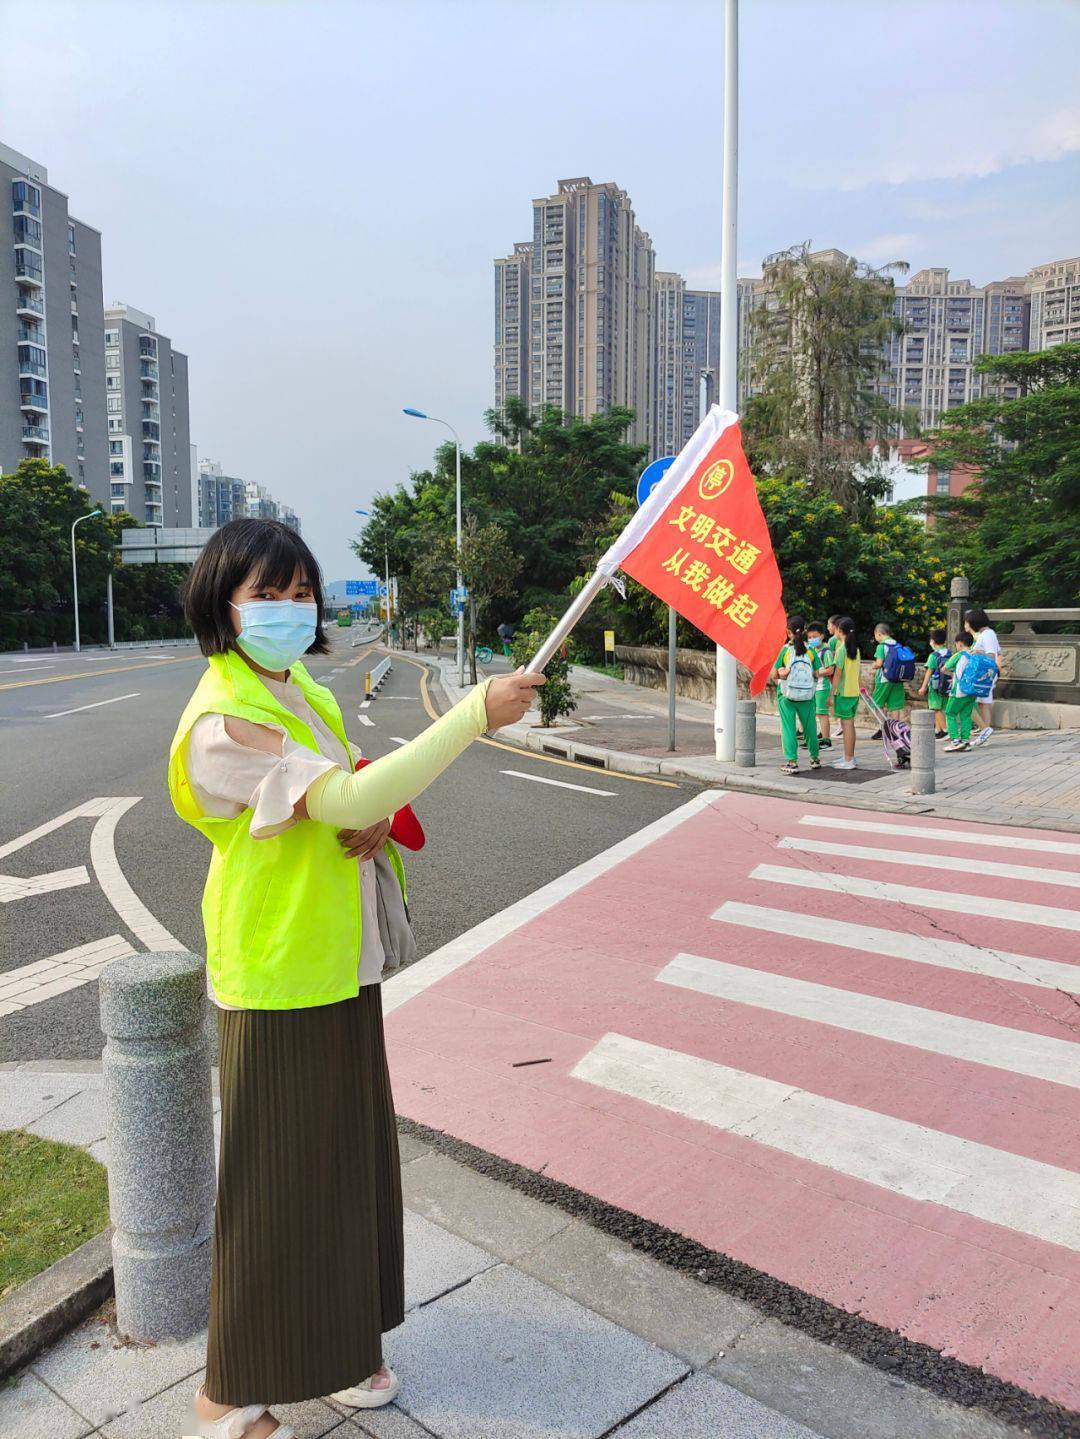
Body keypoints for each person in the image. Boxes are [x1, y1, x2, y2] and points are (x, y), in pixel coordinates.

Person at [170, 519, 544, 1439]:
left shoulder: (292, 685)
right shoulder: (222, 717)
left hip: (340, 956)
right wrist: (469, 717)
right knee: (273, 1182)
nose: (291, 611)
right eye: (269, 594)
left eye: (303, 594)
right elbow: (333, 798)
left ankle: (339, 1348)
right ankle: (226, 1394)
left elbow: (344, 794)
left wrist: (375, 818)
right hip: (275, 970)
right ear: (223, 601)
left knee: (348, 1166)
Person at [769, 614, 822, 776]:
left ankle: (792, 762)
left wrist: (782, 674)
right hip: (807, 695)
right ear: (805, 630)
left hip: (787, 695)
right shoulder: (811, 650)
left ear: (788, 631)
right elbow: (818, 672)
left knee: (788, 728)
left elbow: (774, 675)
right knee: (810, 727)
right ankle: (815, 759)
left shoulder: (784, 650)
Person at [964, 606, 1001, 746]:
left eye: (967, 622)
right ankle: (985, 734)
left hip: (984, 675)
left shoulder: (987, 634)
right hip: (985, 674)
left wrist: (977, 653)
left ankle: (985, 731)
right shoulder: (987, 633)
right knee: (983, 704)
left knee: (971, 702)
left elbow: (991, 655)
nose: (966, 625)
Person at [829, 616, 861, 770]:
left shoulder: (841, 649)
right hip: (854, 692)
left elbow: (837, 674)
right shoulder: (856, 649)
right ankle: (849, 757)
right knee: (849, 725)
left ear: (840, 631)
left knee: (846, 726)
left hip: (843, 693)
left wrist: (831, 694)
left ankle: (849, 760)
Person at [870, 622, 906, 737]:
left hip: (884, 679)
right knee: (894, 705)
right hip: (897, 679)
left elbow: (879, 663)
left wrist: (874, 665)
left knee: (876, 703)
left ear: (878, 634)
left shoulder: (881, 646)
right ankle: (895, 730)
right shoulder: (897, 644)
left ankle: (883, 729)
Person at [942, 631, 976, 751]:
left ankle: (955, 741)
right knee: (966, 715)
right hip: (972, 691)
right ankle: (965, 741)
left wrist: (953, 674)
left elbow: (944, 668)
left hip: (959, 691)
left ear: (960, 644)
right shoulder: (974, 656)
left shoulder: (959, 655)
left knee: (950, 713)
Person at [917, 626, 951, 738]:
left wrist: (923, 687)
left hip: (935, 686)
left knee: (936, 709)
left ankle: (945, 731)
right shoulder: (949, 653)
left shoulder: (933, 656)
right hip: (947, 685)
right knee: (944, 708)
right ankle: (938, 730)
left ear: (932, 641)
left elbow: (929, 672)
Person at [806, 621, 834, 749]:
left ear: (822, 636)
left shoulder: (826, 652)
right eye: (810, 637)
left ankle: (826, 740)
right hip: (813, 687)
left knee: (822, 714)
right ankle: (814, 739)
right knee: (814, 713)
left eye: (815, 636)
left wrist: (815, 673)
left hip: (823, 687)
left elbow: (830, 670)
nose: (812, 639)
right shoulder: (811, 650)